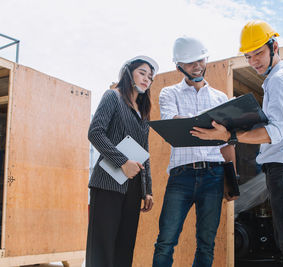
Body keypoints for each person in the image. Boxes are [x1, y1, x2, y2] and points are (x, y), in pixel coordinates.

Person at [191, 20, 283, 267]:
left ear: (275, 46)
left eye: (258, 52)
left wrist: (230, 136)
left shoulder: (280, 79)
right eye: (248, 56)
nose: (254, 61)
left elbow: (275, 132)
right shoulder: (274, 81)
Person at [152, 36, 236, 267]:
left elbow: (227, 143)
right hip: (181, 176)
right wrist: (210, 127)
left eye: (200, 59)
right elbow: (171, 123)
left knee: (206, 243)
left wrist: (232, 180)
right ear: (178, 66)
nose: (197, 66)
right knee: (166, 241)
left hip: (214, 176)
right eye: (190, 63)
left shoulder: (220, 98)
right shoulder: (169, 94)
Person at [86, 55, 158, 267]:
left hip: (133, 187)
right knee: (102, 247)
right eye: (142, 73)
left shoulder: (143, 113)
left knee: (124, 247)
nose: (147, 79)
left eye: (150, 77)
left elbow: (144, 152)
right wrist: (122, 162)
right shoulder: (112, 96)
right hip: (108, 182)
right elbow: (95, 133)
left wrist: (148, 189)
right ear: (129, 73)